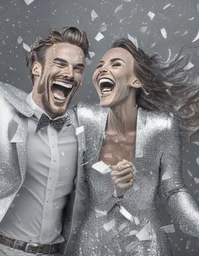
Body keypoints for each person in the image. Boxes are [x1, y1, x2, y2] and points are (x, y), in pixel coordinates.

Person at [0, 26, 89, 256]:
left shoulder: (82, 125)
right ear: (36, 67)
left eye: (77, 68)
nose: (70, 74)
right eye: (60, 64)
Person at [74, 39, 199, 255]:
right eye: (100, 65)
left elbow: (173, 190)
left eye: (115, 64)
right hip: (94, 244)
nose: (103, 69)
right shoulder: (83, 118)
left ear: (136, 80)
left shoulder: (162, 126)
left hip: (146, 246)